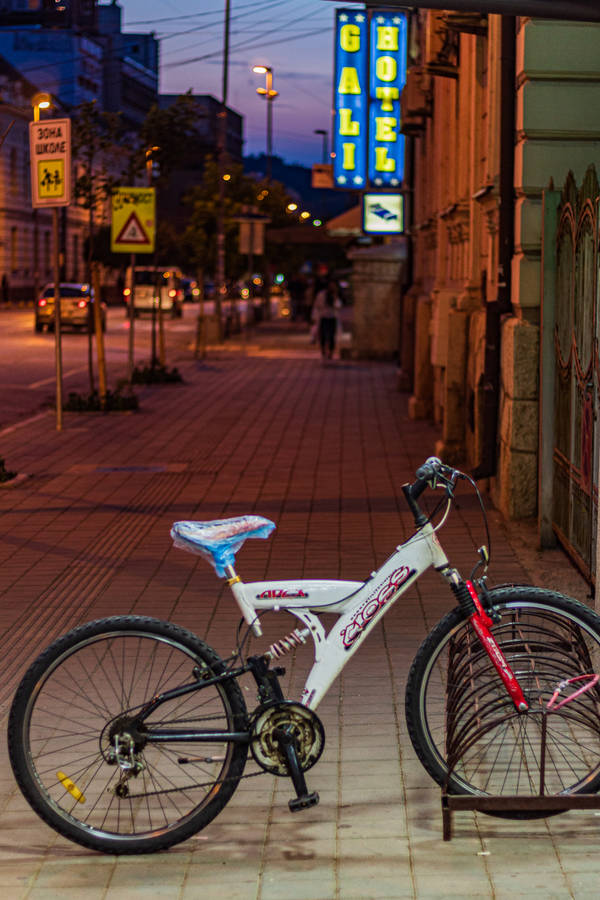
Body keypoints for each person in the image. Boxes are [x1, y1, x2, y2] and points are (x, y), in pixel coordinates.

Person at [311, 279, 342, 360]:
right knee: (323, 335)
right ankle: (323, 351)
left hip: (332, 318)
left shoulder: (335, 295)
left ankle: (330, 352)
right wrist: (314, 317)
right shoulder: (321, 295)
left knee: (331, 336)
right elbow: (317, 306)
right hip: (323, 318)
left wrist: (335, 297)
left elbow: (338, 306)